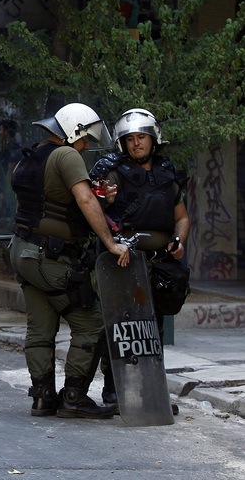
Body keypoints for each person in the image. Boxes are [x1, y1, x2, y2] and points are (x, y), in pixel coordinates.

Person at [9, 103, 129, 419]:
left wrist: (102, 196)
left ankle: (43, 397)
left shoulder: (31, 156)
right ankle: (74, 395)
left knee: (41, 326)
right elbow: (85, 199)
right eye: (85, 138)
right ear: (73, 131)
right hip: (50, 258)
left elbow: (45, 204)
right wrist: (111, 243)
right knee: (92, 320)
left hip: (23, 253)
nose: (87, 146)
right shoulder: (66, 155)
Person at [89, 108, 190, 407]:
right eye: (130, 139)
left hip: (159, 265)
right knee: (120, 326)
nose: (136, 144)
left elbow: (182, 218)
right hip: (123, 263)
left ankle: (151, 392)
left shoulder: (167, 174)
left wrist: (179, 242)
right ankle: (114, 390)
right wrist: (104, 200)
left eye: (141, 137)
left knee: (153, 328)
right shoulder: (111, 171)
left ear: (153, 139)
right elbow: (91, 210)